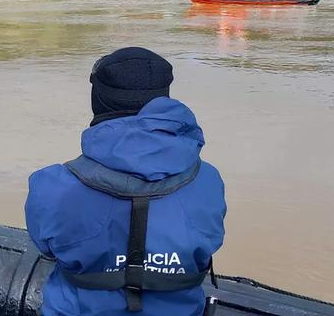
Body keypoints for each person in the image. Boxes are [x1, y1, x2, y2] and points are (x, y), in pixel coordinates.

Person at [25, 47, 226, 316]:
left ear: (99, 101)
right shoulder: (209, 182)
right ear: (163, 99)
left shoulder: (50, 186)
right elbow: (206, 248)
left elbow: (47, 249)